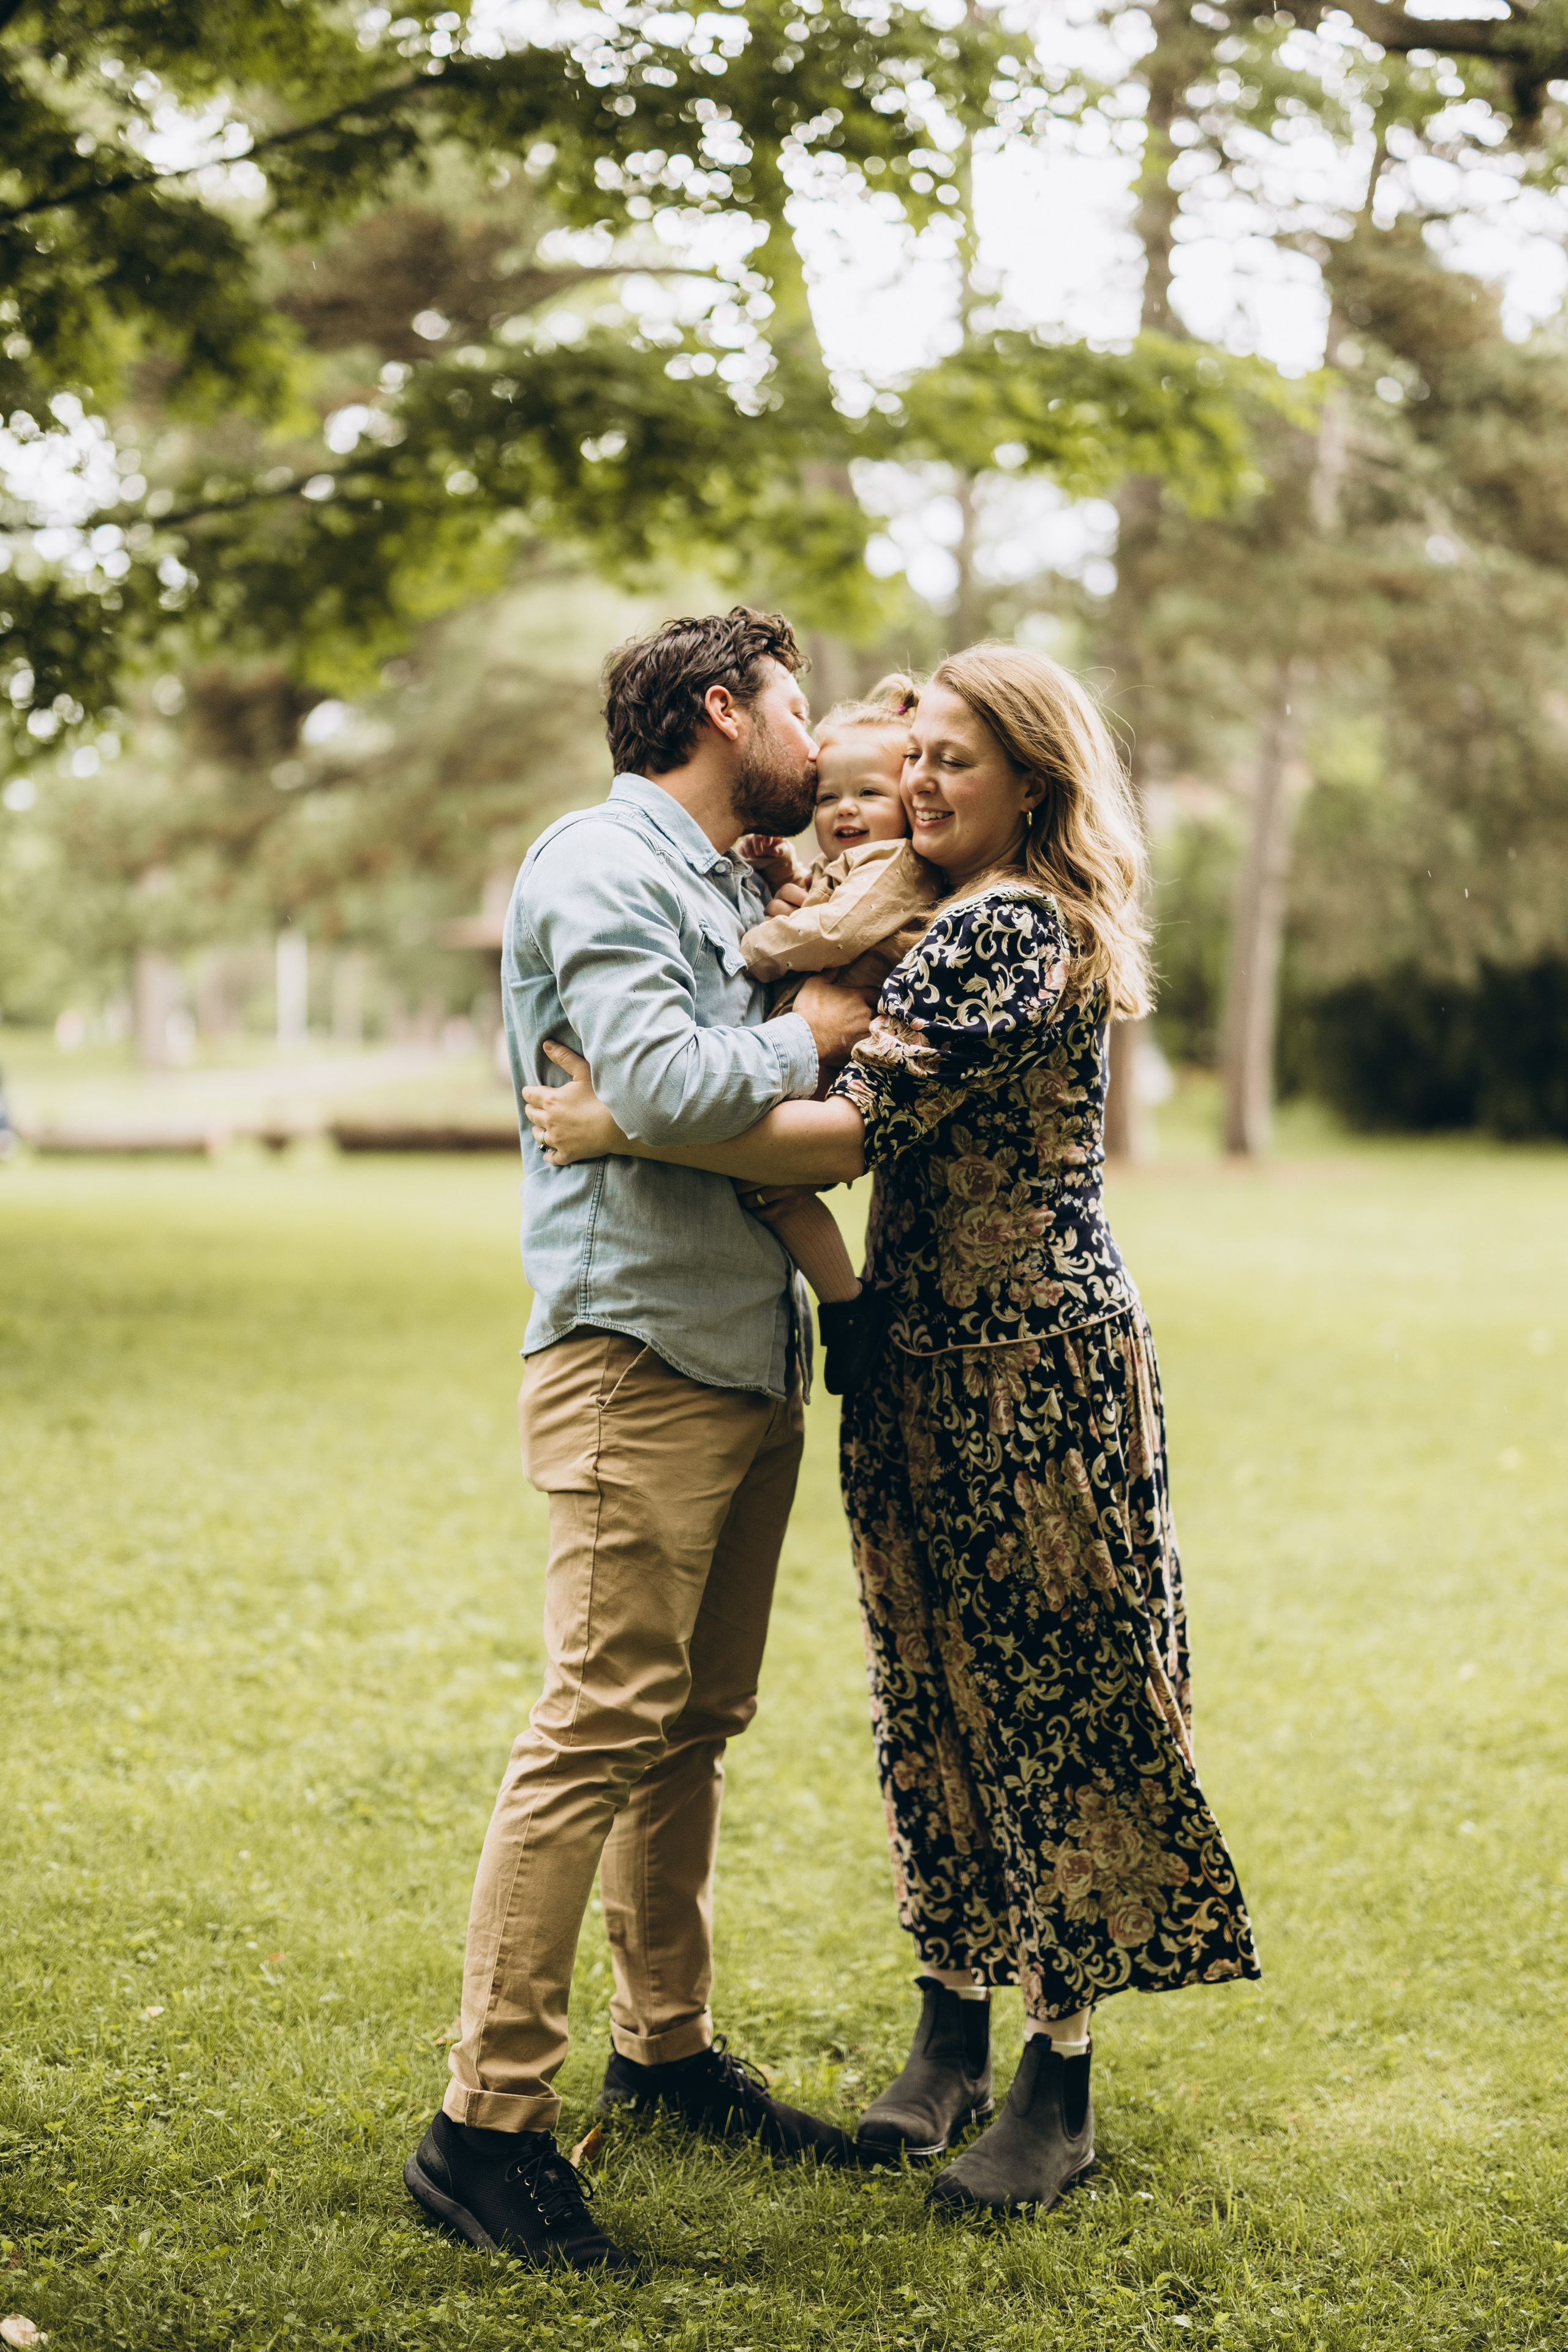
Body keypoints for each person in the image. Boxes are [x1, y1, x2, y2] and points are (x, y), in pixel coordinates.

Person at [524, 642, 1262, 2220]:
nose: (916, 783)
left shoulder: (1010, 927)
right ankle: (948, 2026)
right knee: (927, 1694)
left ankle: (1052, 2080)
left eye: (956, 761)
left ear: (1033, 785)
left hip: (1030, 1363)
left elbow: (848, 1133)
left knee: (1050, 1698)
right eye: (910, 750)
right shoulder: (921, 903)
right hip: (910, 1353)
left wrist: (616, 1115)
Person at [403, 608, 875, 2275]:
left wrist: (806, 1038)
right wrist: (811, 1035)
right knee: (600, 1721)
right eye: (799, 706)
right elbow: (671, 1091)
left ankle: (662, 2052)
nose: (815, 741)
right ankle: (485, 2127)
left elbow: (762, 1111)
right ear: (718, 706)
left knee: (695, 1723)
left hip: (748, 1350)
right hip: (636, 1356)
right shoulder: (598, 870)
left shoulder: (739, 886)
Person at [734, 677, 941, 1389]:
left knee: (762, 1171)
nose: (844, 809)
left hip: (843, 1057)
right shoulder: (862, 863)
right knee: (773, 1190)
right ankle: (846, 1308)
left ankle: (847, 1305)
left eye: (868, 795)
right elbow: (827, 893)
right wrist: (784, 868)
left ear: (911, 806)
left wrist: (751, 945)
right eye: (827, 798)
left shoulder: (901, 863)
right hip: (819, 1048)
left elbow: (836, 929)